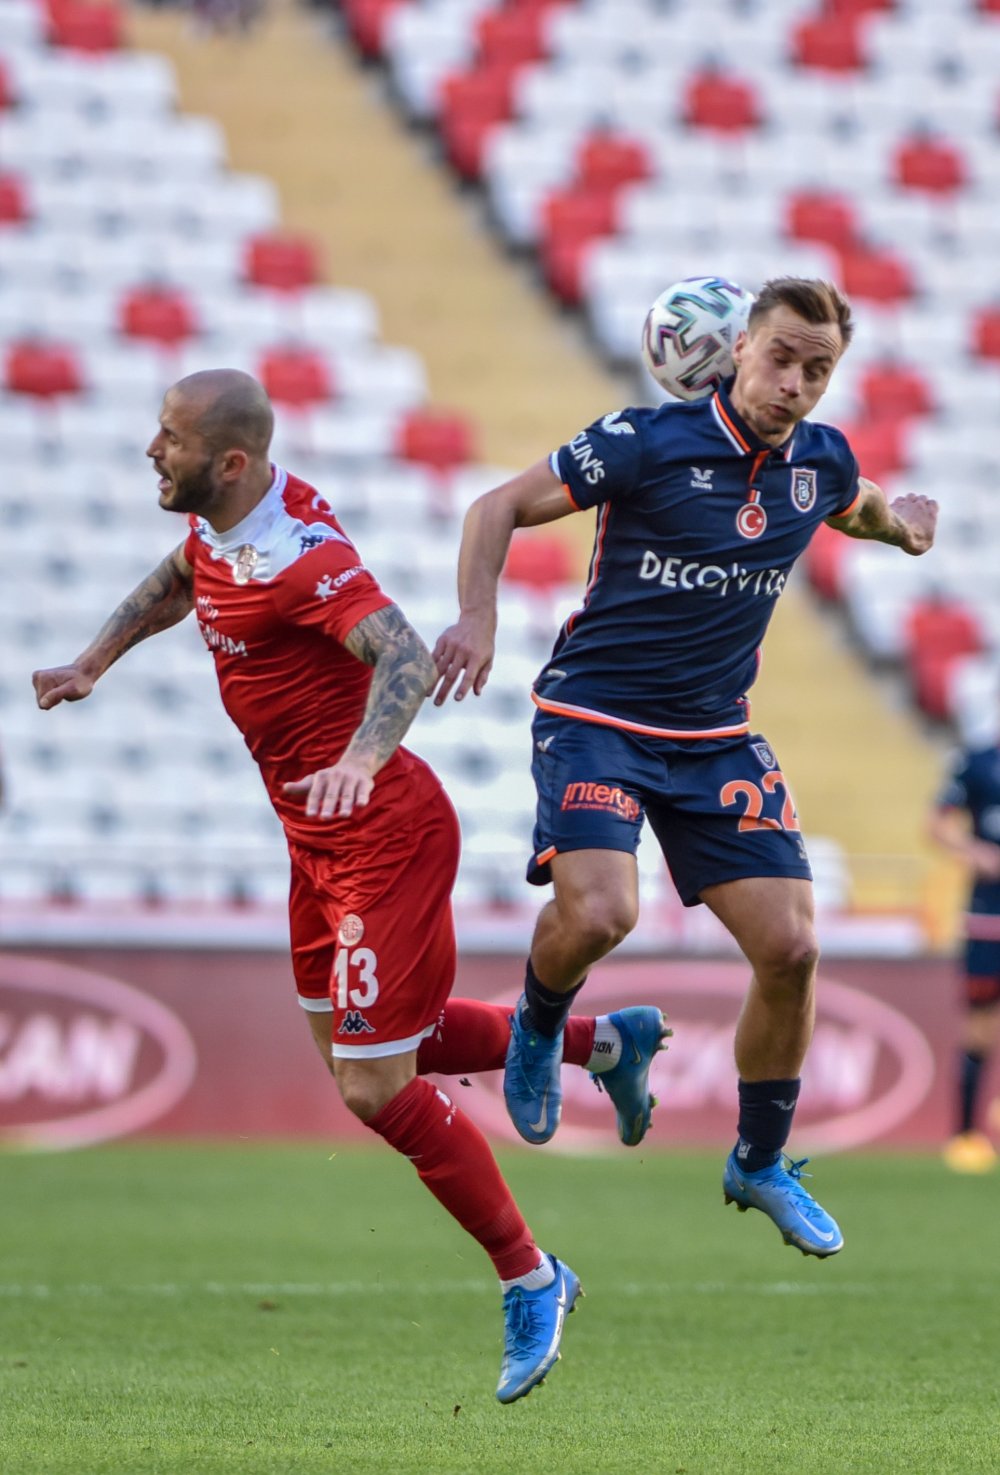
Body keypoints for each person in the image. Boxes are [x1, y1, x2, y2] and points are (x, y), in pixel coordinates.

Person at [31, 368, 669, 1404]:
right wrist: (93, 660)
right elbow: (183, 573)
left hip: (384, 833)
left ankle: (532, 1273)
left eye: (169, 437)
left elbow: (405, 658)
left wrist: (361, 762)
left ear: (230, 461)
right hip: (316, 840)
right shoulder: (225, 524)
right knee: (374, 1050)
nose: (152, 449)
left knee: (375, 1084)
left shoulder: (300, 557)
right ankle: (607, 1041)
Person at [433, 276, 939, 1258]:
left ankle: (758, 1161)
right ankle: (538, 1025)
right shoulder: (645, 441)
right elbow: (495, 505)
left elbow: (859, 504)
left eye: (816, 369)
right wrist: (478, 616)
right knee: (601, 912)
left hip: (712, 738)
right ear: (739, 344)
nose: (793, 382)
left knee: (791, 948)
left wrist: (905, 528)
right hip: (595, 718)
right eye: (781, 356)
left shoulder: (819, 464)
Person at [928, 731, 1000, 1173]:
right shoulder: (978, 762)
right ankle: (965, 1136)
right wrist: (974, 852)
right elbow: (936, 823)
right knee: (979, 1027)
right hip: (988, 917)